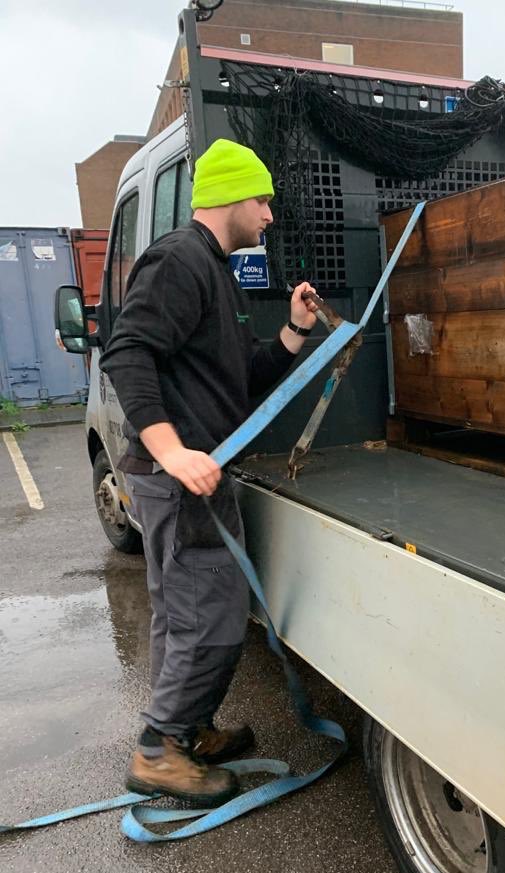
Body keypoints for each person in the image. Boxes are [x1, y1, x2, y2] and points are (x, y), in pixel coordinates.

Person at [100, 139, 317, 807]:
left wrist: (295, 331)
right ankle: (160, 752)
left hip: (196, 476)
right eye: (262, 200)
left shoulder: (216, 271)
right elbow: (127, 352)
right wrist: (172, 451)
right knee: (210, 617)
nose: (270, 215)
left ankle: (186, 729)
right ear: (230, 197)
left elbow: (241, 377)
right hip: (182, 480)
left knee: (183, 613)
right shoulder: (179, 260)